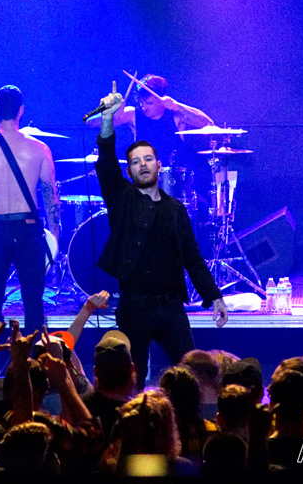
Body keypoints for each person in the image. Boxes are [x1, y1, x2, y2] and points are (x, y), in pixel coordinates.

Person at [94, 85, 228, 387]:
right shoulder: (121, 199)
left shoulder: (175, 209)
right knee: (133, 381)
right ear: (129, 170)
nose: (142, 164)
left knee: (190, 377)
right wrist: (107, 120)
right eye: (135, 161)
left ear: (159, 165)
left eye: (148, 159)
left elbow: (193, 258)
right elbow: (106, 163)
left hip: (170, 308)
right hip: (134, 307)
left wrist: (214, 297)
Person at [0, 85, 61, 332]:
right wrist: (55, 235)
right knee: (33, 303)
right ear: (21, 111)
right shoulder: (39, 149)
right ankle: (34, 355)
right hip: (28, 228)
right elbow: (51, 196)